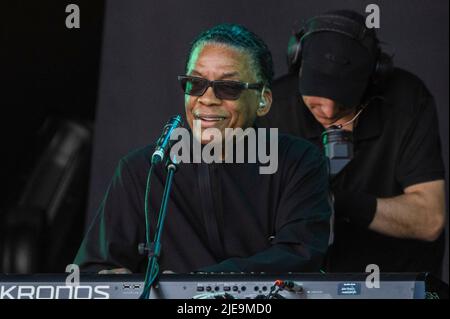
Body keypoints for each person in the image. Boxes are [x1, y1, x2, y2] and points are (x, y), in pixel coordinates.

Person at [74, 24, 331, 274]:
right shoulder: (142, 170)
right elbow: (95, 269)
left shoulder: (299, 162)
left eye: (228, 87)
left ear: (263, 99)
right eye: (195, 83)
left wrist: (197, 286)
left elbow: (300, 255)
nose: (207, 98)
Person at [257, 10, 446, 275]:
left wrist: (337, 202)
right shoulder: (272, 108)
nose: (330, 111)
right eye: (318, 98)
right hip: (298, 282)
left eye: (345, 102)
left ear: (373, 79)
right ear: (298, 68)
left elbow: (430, 220)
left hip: (392, 278)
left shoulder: (408, 101)